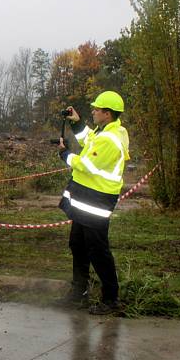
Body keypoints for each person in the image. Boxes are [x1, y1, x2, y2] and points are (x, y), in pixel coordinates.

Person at [58, 91, 130, 315]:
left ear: (107, 114)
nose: (93, 111)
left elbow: (88, 164)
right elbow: (90, 140)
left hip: (97, 200)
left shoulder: (111, 139)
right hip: (86, 197)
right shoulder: (105, 132)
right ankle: (79, 292)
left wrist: (65, 155)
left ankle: (111, 299)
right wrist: (77, 123)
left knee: (97, 250)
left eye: (97, 109)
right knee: (77, 244)